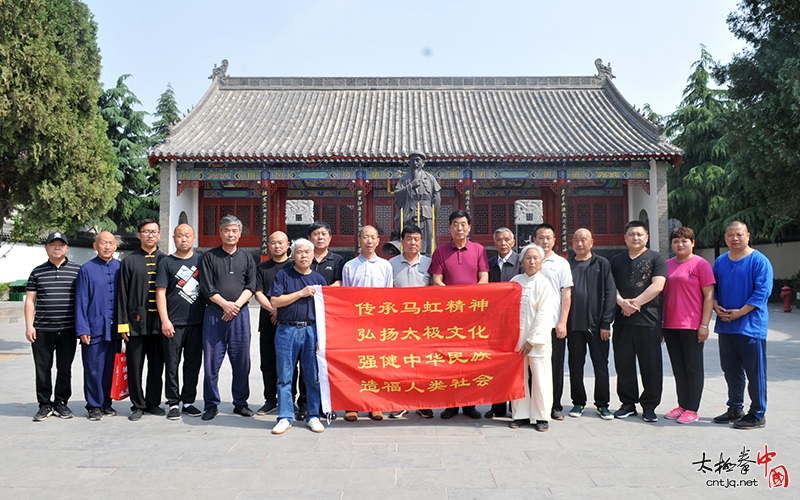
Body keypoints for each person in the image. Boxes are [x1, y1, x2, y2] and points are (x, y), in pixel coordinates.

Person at [712, 221, 773, 429]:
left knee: (755, 373)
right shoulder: (720, 261)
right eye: (730, 235)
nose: (734, 238)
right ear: (725, 237)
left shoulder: (759, 261)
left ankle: (757, 413)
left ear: (748, 235)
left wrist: (740, 312)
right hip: (726, 325)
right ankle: (735, 408)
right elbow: (714, 289)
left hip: (750, 326)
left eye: (739, 234)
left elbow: (762, 292)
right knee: (730, 370)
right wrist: (715, 305)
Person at [429, 210, 489, 419]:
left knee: (471, 360)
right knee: (450, 361)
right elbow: (436, 280)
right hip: (449, 316)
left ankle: (470, 404)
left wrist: (468, 300)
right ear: (449, 228)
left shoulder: (479, 249)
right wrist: (453, 301)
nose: (460, 228)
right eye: (455, 224)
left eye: (463, 224)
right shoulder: (440, 251)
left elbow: (484, 279)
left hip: (472, 317)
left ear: (469, 227)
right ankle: (451, 404)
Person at [199, 215, 257, 421]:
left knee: (242, 362)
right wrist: (225, 305)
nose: (231, 234)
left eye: (234, 231)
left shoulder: (248, 257)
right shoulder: (208, 257)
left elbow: (251, 286)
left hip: (240, 316)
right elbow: (206, 287)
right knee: (212, 363)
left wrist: (236, 306)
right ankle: (211, 404)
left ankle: (240, 403)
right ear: (220, 233)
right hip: (215, 315)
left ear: (240, 234)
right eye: (227, 230)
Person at [268, 238, 327, 435]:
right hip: (287, 330)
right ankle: (285, 416)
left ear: (313, 255)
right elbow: (275, 301)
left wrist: (322, 338)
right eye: (299, 252)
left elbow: (325, 312)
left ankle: (313, 416)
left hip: (312, 331)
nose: (303, 255)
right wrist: (300, 293)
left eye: (307, 252)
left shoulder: (319, 279)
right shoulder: (283, 276)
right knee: (284, 377)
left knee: (312, 377)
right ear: (292, 255)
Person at [609, 220, 667, 422]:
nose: (635, 237)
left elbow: (657, 286)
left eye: (639, 234)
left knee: (651, 366)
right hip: (622, 321)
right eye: (631, 234)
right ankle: (627, 403)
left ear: (647, 237)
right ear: (625, 238)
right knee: (624, 365)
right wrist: (621, 303)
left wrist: (634, 305)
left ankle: (650, 406)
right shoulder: (616, 260)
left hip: (648, 321)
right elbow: (611, 286)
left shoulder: (656, 258)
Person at [25, 231, 81, 421]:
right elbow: (30, 301)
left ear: (67, 248)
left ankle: (61, 403)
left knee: (64, 368)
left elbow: (83, 300)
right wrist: (29, 326)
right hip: (42, 330)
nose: (57, 248)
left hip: (68, 329)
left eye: (61, 245)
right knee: (42, 368)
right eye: (53, 244)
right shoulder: (37, 272)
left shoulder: (77, 271)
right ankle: (44, 404)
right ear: (46, 248)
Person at [661, 226, 715, 425]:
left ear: (692, 243)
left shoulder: (700, 264)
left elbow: (709, 295)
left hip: (692, 324)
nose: (680, 244)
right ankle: (682, 405)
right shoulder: (666, 264)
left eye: (684, 240)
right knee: (678, 368)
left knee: (693, 367)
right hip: (670, 323)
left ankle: (692, 408)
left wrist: (704, 325)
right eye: (676, 241)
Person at [342, 225, 393, 422]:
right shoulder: (349, 266)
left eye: (372, 237)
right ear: (359, 240)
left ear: (378, 241)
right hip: (355, 325)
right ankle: (351, 405)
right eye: (365, 237)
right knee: (354, 365)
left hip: (377, 325)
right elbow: (345, 297)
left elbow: (389, 295)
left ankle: (375, 405)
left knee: (376, 365)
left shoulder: (385, 266)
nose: (369, 241)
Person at [117, 219, 166, 421]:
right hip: (135, 323)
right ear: (139, 235)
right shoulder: (129, 261)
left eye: (154, 231)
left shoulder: (165, 260)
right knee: (135, 366)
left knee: (156, 366)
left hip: (158, 323)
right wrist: (122, 324)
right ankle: (137, 404)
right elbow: (122, 294)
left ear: (159, 235)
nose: (150, 235)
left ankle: (153, 402)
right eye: (146, 231)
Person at [155, 223, 206, 420]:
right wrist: (165, 320)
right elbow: (160, 292)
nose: (183, 239)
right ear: (174, 238)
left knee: (193, 364)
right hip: (173, 324)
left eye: (187, 235)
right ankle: (173, 402)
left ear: (194, 238)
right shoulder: (166, 262)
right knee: (172, 364)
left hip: (197, 322)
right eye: (179, 235)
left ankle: (189, 401)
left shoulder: (202, 261)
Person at [566, 228, 616, 420]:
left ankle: (602, 404)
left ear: (592, 242)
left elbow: (610, 294)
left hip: (597, 327)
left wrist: (606, 323)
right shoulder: (567, 264)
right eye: (576, 240)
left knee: (601, 366)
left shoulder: (601, 264)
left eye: (584, 240)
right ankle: (578, 402)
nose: (579, 243)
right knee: (575, 365)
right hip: (574, 326)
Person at [509, 244, 557, 432]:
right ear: (522, 261)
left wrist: (532, 339)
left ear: (542, 261)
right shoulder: (515, 281)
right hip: (516, 339)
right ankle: (520, 414)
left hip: (538, 342)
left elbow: (544, 315)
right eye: (528, 258)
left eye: (536, 258)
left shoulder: (545, 284)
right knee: (518, 378)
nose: (532, 261)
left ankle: (542, 416)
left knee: (541, 377)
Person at [388, 224, 434, 419]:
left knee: (423, 364)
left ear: (421, 241)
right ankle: (401, 403)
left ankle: (423, 403)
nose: (412, 242)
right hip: (399, 324)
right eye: (408, 239)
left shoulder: (429, 263)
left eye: (416, 239)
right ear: (402, 242)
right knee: (400, 364)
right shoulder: (391, 264)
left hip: (423, 324)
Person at [300, 220, 345, 421]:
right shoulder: (303, 257)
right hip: (305, 316)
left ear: (330, 237)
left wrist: (320, 293)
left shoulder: (338, 260)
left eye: (324, 234)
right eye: (316, 234)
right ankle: (304, 404)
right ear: (310, 238)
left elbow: (339, 283)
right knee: (306, 362)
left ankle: (329, 404)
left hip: (330, 319)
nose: (320, 237)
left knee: (328, 361)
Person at [75, 231, 122, 421]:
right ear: (95, 246)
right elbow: (81, 300)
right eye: (103, 243)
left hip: (115, 328)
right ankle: (94, 405)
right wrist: (83, 328)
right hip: (94, 327)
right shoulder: (86, 269)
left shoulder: (120, 267)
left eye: (111, 243)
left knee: (111, 367)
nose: (107, 246)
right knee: (93, 367)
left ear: (116, 246)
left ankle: (106, 403)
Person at [533, 223, 573, 420]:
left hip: (553, 324)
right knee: (532, 368)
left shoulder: (561, 263)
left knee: (555, 366)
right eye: (541, 237)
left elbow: (566, 294)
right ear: (534, 240)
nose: (545, 241)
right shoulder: (529, 262)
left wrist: (562, 322)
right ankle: (534, 405)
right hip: (532, 326)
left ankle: (555, 405)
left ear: (555, 240)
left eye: (548, 237)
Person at [484, 227, 522, 419]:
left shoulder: (521, 264)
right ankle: (497, 406)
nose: (503, 243)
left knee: (515, 365)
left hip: (517, 322)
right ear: (494, 243)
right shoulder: (489, 264)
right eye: (499, 240)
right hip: (495, 323)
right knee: (496, 365)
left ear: (513, 242)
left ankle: (516, 406)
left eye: (507, 239)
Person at [254, 231, 293, 415]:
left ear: (288, 244)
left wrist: (282, 311)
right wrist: (273, 309)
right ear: (268, 245)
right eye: (273, 243)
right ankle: (270, 400)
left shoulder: (294, 266)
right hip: (268, 321)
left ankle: (289, 400)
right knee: (268, 363)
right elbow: (258, 292)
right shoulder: (262, 267)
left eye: (280, 242)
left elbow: (297, 293)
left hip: (290, 323)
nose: (277, 246)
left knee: (290, 363)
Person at [393, 151, 441, 255]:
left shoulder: (430, 178)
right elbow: (397, 195)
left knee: (428, 241)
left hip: (426, 214)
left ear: (423, 163)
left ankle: (428, 259)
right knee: (410, 239)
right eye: (412, 160)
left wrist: (433, 216)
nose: (415, 163)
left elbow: (436, 199)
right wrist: (411, 186)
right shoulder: (404, 179)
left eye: (418, 160)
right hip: (409, 212)